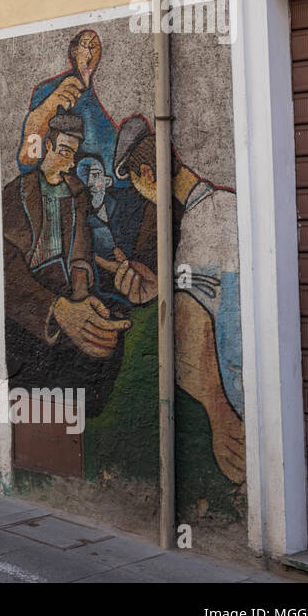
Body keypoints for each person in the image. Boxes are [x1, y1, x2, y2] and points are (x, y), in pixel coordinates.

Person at [110, 116, 245, 484]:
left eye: (138, 185)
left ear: (147, 176)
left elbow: (194, 319)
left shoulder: (201, 226)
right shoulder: (224, 207)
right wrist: (157, 290)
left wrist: (220, 416)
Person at [3, 111, 131, 413]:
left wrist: (81, 295)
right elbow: (6, 265)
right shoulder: (16, 193)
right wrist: (56, 308)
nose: (69, 162)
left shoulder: (76, 193)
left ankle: (85, 410)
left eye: (73, 154)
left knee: (110, 323)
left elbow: (81, 250)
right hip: (33, 290)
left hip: (66, 283)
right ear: (47, 147)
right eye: (64, 152)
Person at [18, 28, 118, 179]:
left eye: (94, 47)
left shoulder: (100, 98)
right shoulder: (50, 90)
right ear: (74, 51)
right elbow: (28, 160)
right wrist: (50, 106)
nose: (89, 54)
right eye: (85, 45)